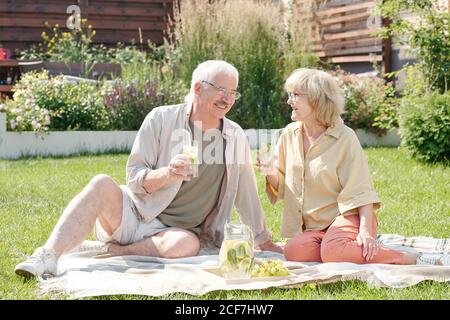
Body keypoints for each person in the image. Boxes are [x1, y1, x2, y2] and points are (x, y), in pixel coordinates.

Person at [15, 60, 282, 278]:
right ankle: (47, 255)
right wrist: (167, 173)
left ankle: (110, 251)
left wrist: (263, 240)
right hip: (136, 214)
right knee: (100, 183)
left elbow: (246, 192)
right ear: (199, 88)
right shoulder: (161, 118)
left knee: (188, 245)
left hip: (178, 234)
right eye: (222, 90)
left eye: (233, 92)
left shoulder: (234, 136)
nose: (228, 98)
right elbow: (133, 179)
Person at [257, 68, 449, 266]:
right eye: (289, 94)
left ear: (316, 99)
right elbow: (280, 187)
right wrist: (269, 170)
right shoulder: (289, 134)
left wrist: (365, 231)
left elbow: (361, 190)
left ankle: (410, 258)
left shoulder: (345, 137)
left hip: (349, 217)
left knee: (333, 252)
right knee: (294, 251)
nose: (289, 101)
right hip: (316, 228)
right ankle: (337, 247)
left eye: (295, 95)